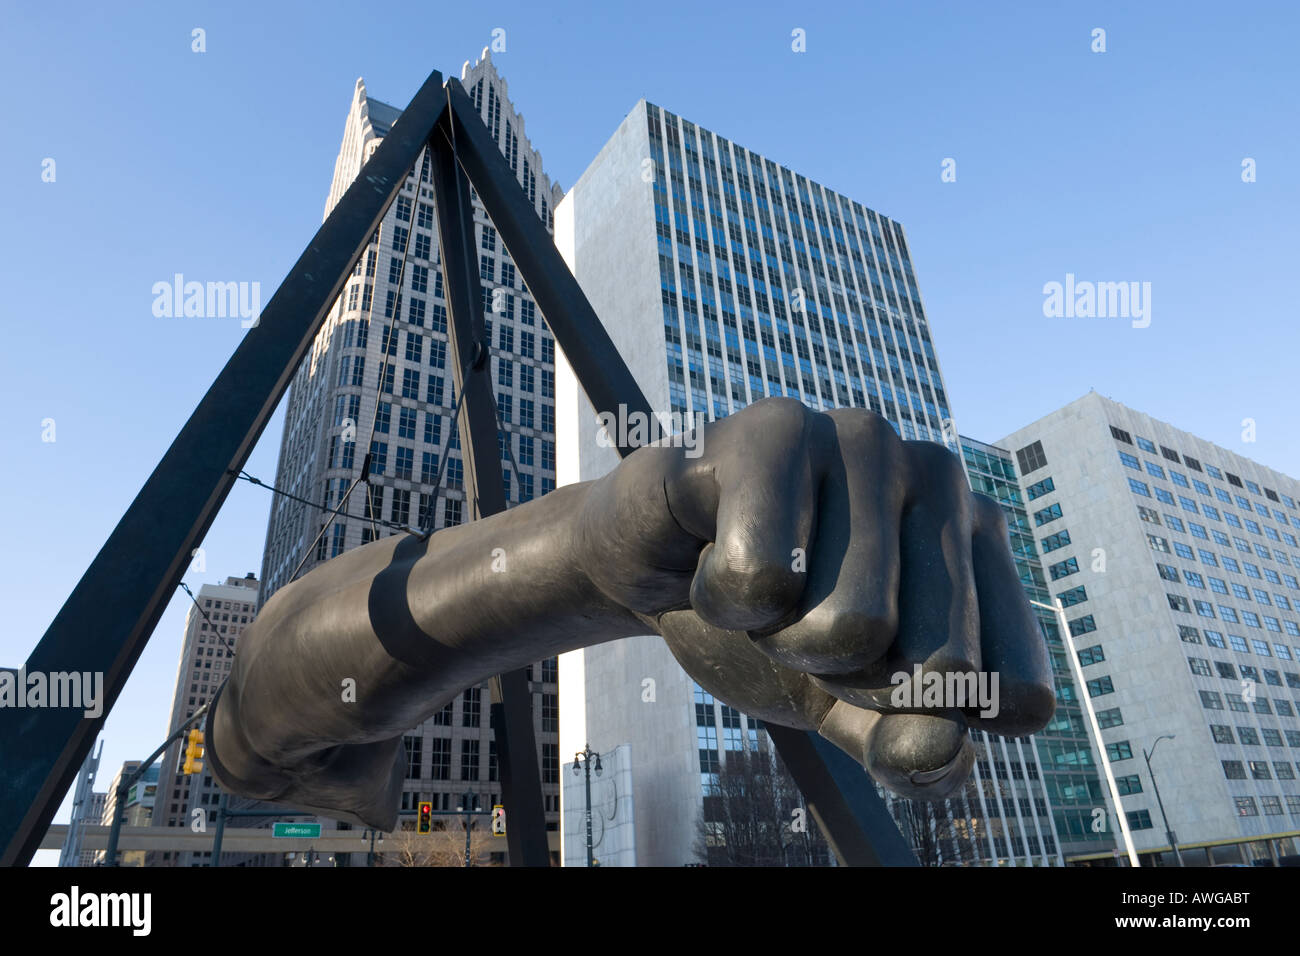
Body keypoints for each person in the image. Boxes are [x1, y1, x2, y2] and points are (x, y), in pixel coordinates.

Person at [206, 398, 1053, 830]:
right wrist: (578, 558)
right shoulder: (304, 736)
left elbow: (263, 733)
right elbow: (250, 731)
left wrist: (607, 571)